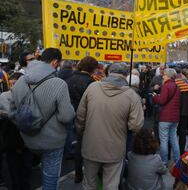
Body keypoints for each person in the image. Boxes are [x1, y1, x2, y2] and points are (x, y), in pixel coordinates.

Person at [10, 48, 75, 189]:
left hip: (27, 138)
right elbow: (66, 117)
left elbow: (12, 109)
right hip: (52, 141)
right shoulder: (59, 84)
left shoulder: (21, 81)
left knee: (27, 173)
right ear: (55, 62)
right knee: (50, 178)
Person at [75, 62, 144, 190]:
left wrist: (81, 132)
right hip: (115, 148)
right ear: (126, 75)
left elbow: (80, 116)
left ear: (108, 72)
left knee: (89, 183)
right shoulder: (131, 95)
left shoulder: (92, 87)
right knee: (111, 185)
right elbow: (136, 126)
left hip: (91, 144)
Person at [66, 56, 98, 183]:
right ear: (92, 68)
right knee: (91, 146)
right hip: (88, 116)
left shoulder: (71, 79)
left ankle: (78, 173)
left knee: (79, 145)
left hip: (73, 113)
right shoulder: (91, 82)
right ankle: (92, 174)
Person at [0, 72, 33, 190]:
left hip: (26, 139)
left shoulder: (30, 96)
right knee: (12, 169)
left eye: (16, 84)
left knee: (26, 169)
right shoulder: (4, 96)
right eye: (11, 84)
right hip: (10, 138)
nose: (13, 87)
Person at [153, 68, 181, 166]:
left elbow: (162, 101)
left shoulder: (166, 86)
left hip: (165, 117)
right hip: (175, 117)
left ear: (168, 76)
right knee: (173, 138)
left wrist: (155, 96)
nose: (163, 76)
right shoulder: (177, 86)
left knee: (164, 139)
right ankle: (177, 160)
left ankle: (164, 162)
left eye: (164, 75)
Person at [175, 68, 188, 155]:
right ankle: (181, 150)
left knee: (173, 132)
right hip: (186, 111)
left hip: (176, 110)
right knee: (183, 132)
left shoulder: (177, 83)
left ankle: (174, 150)